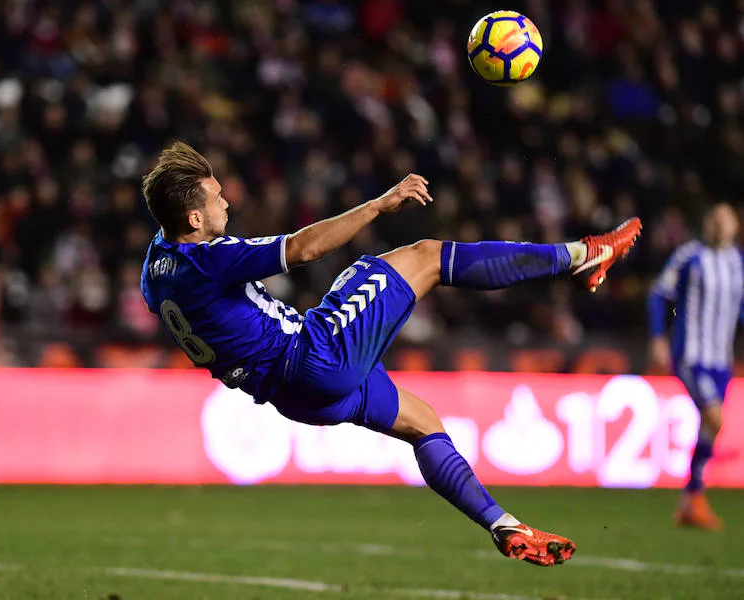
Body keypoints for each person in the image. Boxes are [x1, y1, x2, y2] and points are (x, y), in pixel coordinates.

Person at [141, 142, 641, 566]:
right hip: (314, 356)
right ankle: (582, 256)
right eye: (216, 197)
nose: (226, 202)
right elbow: (303, 248)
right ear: (194, 217)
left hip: (294, 395)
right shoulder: (207, 259)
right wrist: (378, 205)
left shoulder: (154, 268)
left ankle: (504, 527)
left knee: (423, 422)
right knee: (424, 256)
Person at [648, 203, 741, 530]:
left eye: (725, 220)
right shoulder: (690, 255)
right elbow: (659, 294)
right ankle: (694, 495)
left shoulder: (737, 262)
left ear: (735, 226)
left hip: (721, 360)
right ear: (706, 223)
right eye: (714, 219)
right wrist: (658, 337)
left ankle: (689, 502)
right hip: (691, 354)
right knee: (715, 418)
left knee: (711, 425)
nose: (719, 226)